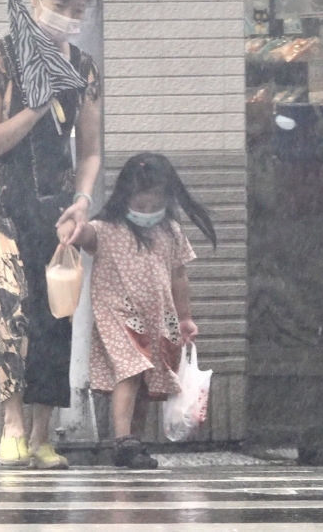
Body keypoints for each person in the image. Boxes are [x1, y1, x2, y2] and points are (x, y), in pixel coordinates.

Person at [0, 0, 102, 469]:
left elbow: (92, 151)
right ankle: (12, 424)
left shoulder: (82, 68)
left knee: (55, 316)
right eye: (59, 7)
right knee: (10, 308)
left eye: (78, 10)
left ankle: (42, 434)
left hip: (53, 207)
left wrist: (81, 201)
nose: (68, 18)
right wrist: (34, 106)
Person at [64, 153, 217, 469]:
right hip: (117, 311)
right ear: (124, 198)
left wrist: (185, 318)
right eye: (140, 205)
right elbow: (87, 234)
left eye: (153, 206)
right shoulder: (106, 228)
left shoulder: (171, 230)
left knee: (149, 380)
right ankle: (123, 441)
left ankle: (135, 442)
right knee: (131, 369)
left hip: (159, 315)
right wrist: (74, 227)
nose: (147, 212)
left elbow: (179, 276)